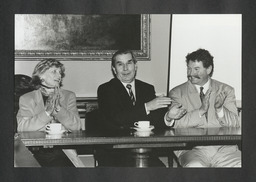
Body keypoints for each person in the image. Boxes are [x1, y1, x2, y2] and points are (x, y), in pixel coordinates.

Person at [165, 48, 241, 167]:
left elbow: (235, 123)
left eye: (196, 69)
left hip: (225, 151)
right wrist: (200, 111)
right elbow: (177, 124)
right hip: (192, 150)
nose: (190, 73)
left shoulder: (226, 90)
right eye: (189, 68)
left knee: (241, 167)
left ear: (209, 69)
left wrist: (220, 109)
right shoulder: (176, 93)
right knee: (195, 168)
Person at [96, 49, 172, 166]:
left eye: (129, 63)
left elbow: (155, 120)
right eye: (120, 64)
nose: (125, 68)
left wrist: (168, 117)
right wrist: (147, 106)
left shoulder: (147, 88)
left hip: (145, 150)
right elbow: (117, 118)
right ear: (114, 69)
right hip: (115, 153)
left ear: (135, 66)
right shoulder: (106, 89)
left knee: (164, 175)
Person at [17, 58, 81, 166]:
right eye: (54, 72)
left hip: (63, 151)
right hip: (36, 151)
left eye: (60, 72)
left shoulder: (68, 96)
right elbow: (22, 128)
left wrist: (58, 109)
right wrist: (47, 113)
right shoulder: (27, 98)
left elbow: (76, 126)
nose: (59, 75)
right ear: (41, 76)